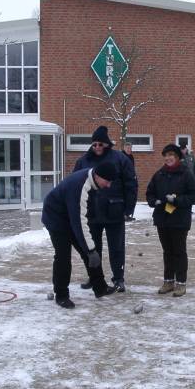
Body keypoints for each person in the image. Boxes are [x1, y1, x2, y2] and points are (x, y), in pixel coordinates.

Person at [41, 163, 119, 308]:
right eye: (107, 181)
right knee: (63, 257)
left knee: (89, 251)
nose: (108, 185)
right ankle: (61, 295)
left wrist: (89, 249)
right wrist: (90, 249)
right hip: (55, 218)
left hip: (70, 215)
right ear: (97, 176)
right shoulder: (80, 186)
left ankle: (100, 287)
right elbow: (79, 222)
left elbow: (84, 215)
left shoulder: (94, 181)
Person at [73, 125, 138, 293]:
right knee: (92, 247)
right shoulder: (83, 161)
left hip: (114, 211)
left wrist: (129, 208)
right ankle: (95, 277)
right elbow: (75, 184)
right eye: (94, 144)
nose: (97, 148)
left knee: (116, 247)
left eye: (100, 144)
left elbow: (131, 183)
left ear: (107, 144)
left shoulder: (120, 159)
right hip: (91, 212)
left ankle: (118, 278)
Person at [146, 144, 195, 296]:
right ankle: (168, 281)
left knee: (179, 251)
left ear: (177, 157)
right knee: (167, 251)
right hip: (162, 219)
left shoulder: (186, 174)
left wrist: (177, 200)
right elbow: (150, 192)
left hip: (179, 219)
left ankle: (181, 283)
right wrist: (153, 201)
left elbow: (194, 195)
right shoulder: (159, 174)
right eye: (166, 155)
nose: (168, 158)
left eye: (171, 155)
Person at [122, 141, 136, 222]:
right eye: (127, 148)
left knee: (130, 198)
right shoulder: (122, 156)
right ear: (124, 148)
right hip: (124, 181)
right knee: (125, 197)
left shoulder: (131, 156)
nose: (129, 150)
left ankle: (127, 214)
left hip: (131, 179)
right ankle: (124, 215)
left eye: (130, 148)